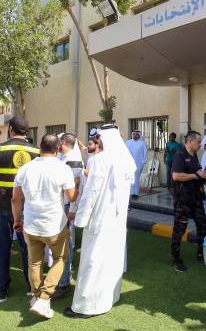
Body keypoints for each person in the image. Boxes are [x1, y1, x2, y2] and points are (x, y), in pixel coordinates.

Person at [65, 124, 136, 319]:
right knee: (110, 259)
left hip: (99, 219)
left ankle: (87, 305)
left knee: (93, 260)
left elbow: (91, 192)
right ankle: (110, 297)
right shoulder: (126, 161)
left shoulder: (99, 160)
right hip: (117, 220)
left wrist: (81, 218)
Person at [12, 134, 76, 319]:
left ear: (40, 146)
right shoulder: (63, 169)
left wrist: (17, 219)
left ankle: (37, 295)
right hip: (54, 224)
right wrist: (76, 187)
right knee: (60, 259)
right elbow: (71, 197)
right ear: (58, 148)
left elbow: (16, 199)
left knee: (35, 262)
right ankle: (45, 297)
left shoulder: (25, 169)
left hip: (31, 224)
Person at [0, 115, 39, 303]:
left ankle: (1, 291)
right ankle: (31, 287)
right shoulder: (37, 151)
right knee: (27, 248)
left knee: (1, 247)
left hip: (0, 205)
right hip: (27, 208)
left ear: (11, 129)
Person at [171, 131, 206, 272]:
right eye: (199, 142)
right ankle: (176, 258)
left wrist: (204, 176)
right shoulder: (180, 155)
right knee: (180, 229)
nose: (200, 144)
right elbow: (176, 176)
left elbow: (197, 171)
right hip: (183, 199)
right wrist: (195, 175)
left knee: (202, 225)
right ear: (190, 141)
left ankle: (200, 252)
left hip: (196, 197)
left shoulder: (194, 155)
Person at [55, 132, 83, 298]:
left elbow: (74, 188)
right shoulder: (61, 156)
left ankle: (64, 282)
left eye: (59, 141)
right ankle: (65, 276)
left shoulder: (73, 160)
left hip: (66, 206)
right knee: (64, 242)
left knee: (65, 243)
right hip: (60, 204)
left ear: (64, 142)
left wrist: (72, 208)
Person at [126, 129, 147, 199]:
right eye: (133, 134)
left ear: (139, 135)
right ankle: (131, 193)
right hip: (129, 163)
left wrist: (144, 161)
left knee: (136, 178)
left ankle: (136, 194)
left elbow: (145, 152)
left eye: (136, 134)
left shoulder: (142, 143)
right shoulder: (128, 142)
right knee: (131, 177)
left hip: (139, 163)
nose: (135, 136)